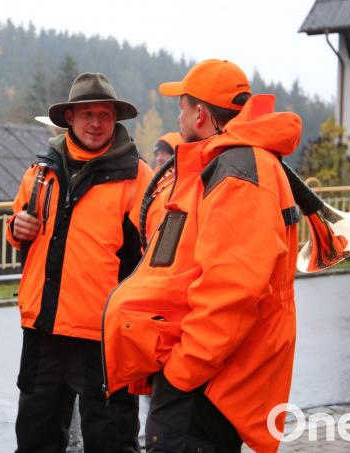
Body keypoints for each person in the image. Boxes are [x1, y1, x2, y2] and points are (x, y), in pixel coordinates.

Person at [102, 59, 303, 453]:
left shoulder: (237, 169)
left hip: (205, 382)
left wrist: (182, 371)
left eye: (183, 105)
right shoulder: (232, 163)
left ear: (201, 113)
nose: (178, 114)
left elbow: (233, 290)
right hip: (207, 375)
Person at [5, 72, 153, 452]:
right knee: (35, 440)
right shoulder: (40, 170)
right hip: (42, 330)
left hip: (104, 338)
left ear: (115, 119)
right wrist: (15, 227)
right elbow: (20, 226)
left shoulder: (138, 177)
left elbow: (157, 254)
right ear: (69, 118)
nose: (96, 123)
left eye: (104, 115)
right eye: (87, 114)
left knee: (111, 441)